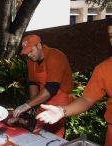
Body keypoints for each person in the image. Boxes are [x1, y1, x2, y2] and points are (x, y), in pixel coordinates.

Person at [36, 18, 112, 146]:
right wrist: (62, 111)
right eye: (111, 36)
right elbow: (87, 99)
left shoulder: (55, 56)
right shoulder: (104, 68)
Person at [12, 34, 74, 137]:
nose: (30, 55)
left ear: (39, 46)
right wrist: (31, 104)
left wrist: (28, 105)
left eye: (31, 51)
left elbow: (52, 88)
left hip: (60, 99)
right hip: (43, 98)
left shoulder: (55, 55)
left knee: (53, 133)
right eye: (27, 53)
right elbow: (33, 84)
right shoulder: (31, 62)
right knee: (38, 129)